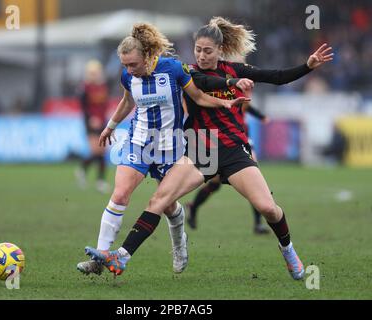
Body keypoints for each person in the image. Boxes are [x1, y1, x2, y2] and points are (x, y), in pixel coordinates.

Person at [87, 17, 333, 280]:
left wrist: (308, 66)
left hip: (232, 150)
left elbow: (276, 77)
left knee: (268, 208)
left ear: (220, 50)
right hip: (199, 151)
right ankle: (122, 255)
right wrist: (231, 83)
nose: (201, 56)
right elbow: (205, 84)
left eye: (207, 51)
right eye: (197, 50)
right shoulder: (189, 71)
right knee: (159, 200)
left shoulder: (236, 69)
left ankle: (288, 249)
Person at [77, 22, 249, 276]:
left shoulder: (174, 68)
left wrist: (224, 104)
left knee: (167, 204)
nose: (129, 70)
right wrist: (111, 126)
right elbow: (127, 102)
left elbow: (199, 97)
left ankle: (179, 244)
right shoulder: (128, 76)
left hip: (170, 145)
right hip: (139, 140)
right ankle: (101, 258)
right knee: (121, 192)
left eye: (133, 64)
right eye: (125, 65)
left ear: (147, 56)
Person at [185, 104, 271, 234]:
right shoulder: (217, 93)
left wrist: (260, 115)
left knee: (252, 181)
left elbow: (245, 103)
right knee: (214, 183)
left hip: (241, 138)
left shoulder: (237, 89)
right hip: (224, 139)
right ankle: (193, 207)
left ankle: (258, 223)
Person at [75, 60, 110, 193]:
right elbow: (84, 108)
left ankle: (98, 179)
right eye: (92, 73)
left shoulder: (103, 86)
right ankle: (85, 170)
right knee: (96, 150)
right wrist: (90, 119)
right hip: (91, 122)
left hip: (103, 121)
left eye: (96, 73)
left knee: (103, 152)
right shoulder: (84, 88)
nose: (94, 75)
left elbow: (103, 105)